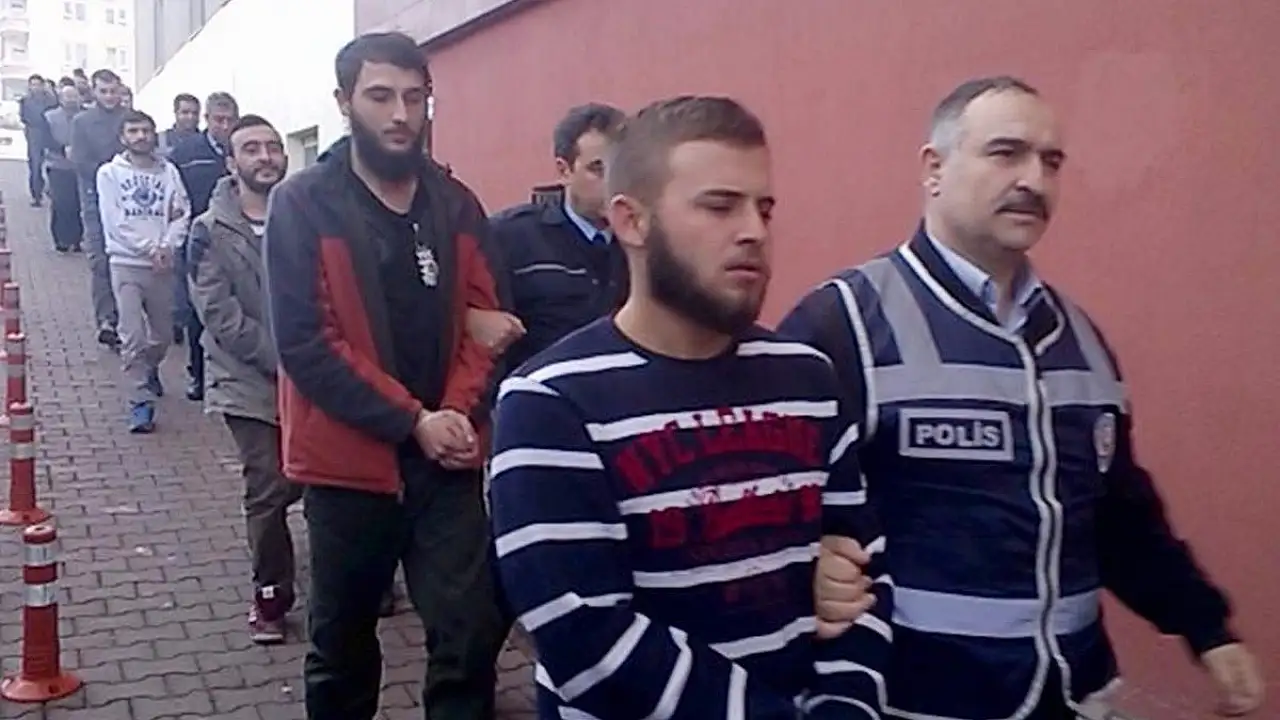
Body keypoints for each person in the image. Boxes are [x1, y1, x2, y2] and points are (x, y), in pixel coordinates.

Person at [781, 75, 1266, 720]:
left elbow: (1120, 517)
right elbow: (766, 507)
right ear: (933, 168)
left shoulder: (1080, 339)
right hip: (915, 702)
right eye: (1006, 153)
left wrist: (1206, 628)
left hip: (1076, 697)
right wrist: (809, 566)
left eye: (1051, 161)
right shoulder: (842, 322)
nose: (1034, 180)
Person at [489, 95, 892, 720]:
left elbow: (864, 574)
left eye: (764, 208)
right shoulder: (549, 402)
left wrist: (847, 706)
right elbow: (586, 638)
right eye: (720, 206)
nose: (754, 230)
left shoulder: (809, 378)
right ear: (632, 221)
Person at [264, 31, 514, 720]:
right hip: (348, 470)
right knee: (343, 646)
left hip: (446, 465)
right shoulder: (303, 204)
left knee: (468, 635)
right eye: (380, 96)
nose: (401, 114)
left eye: (414, 96)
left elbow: (489, 321)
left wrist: (453, 416)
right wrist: (413, 420)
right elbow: (306, 344)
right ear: (344, 102)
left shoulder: (456, 204)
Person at [189, 114, 301, 644]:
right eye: (251, 149)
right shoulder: (208, 230)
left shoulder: (307, 216)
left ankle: (359, 581)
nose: (265, 156)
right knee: (270, 487)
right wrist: (289, 360)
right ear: (231, 163)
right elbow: (219, 315)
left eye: (273, 147)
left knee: (330, 480)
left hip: (317, 378)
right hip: (247, 382)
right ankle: (271, 596)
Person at [490, 103, 628, 373]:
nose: (613, 184)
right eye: (597, 169)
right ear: (564, 170)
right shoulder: (511, 237)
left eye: (621, 169)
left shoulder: (648, 241)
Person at [96, 110, 189, 433]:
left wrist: (168, 247)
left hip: (162, 266)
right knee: (132, 336)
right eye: (133, 131)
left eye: (146, 130)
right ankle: (140, 402)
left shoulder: (169, 172)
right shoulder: (109, 173)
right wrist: (150, 248)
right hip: (126, 264)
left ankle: (149, 369)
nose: (140, 136)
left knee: (163, 336)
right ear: (123, 137)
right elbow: (115, 221)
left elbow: (181, 212)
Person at [171, 91, 239, 401]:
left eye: (229, 120)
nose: (224, 126)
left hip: (236, 239)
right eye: (218, 120)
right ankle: (198, 375)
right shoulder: (186, 152)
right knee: (199, 309)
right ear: (207, 119)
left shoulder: (244, 149)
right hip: (198, 240)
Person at [71, 69, 128, 350]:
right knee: (100, 257)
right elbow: (80, 162)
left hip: (127, 196)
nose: (109, 96)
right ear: (94, 92)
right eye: (103, 91)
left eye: (113, 91)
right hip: (94, 196)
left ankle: (128, 317)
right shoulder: (81, 121)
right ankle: (107, 319)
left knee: (127, 257)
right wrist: (109, 174)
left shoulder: (130, 119)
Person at [43, 84, 85, 252]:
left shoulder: (85, 116)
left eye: (74, 96)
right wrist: (61, 149)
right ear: (60, 98)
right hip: (57, 165)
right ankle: (60, 239)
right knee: (60, 203)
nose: (71, 100)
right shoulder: (49, 117)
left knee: (77, 203)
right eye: (67, 96)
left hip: (79, 167)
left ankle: (76, 239)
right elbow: (44, 139)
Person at [19, 74, 56, 207]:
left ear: (42, 85)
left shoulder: (51, 100)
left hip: (49, 133)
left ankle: (52, 191)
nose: (35, 87)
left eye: (38, 84)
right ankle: (36, 195)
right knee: (35, 166)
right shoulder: (25, 101)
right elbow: (23, 117)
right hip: (33, 134)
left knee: (52, 164)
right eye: (33, 85)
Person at [157, 93, 201, 159]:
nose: (190, 117)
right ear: (175, 113)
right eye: (185, 112)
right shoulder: (158, 140)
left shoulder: (207, 141)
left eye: (195, 113)